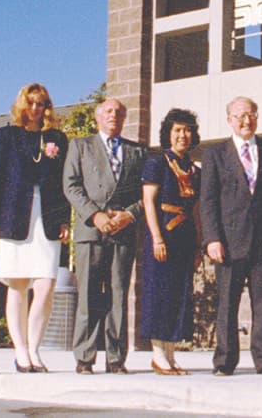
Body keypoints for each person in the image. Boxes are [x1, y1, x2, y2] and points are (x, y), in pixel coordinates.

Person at [199, 96, 262, 376]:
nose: (245, 121)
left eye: (250, 115)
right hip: (229, 241)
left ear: (257, 118)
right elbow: (208, 200)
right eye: (239, 116)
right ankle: (224, 362)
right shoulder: (215, 154)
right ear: (229, 120)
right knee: (227, 303)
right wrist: (212, 238)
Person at [0, 82, 70, 373]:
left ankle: (35, 348)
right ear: (23, 105)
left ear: (47, 107)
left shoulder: (57, 138)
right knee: (18, 286)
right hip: (14, 216)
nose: (35, 108)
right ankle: (21, 351)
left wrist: (64, 220)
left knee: (45, 286)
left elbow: (62, 183)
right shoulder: (6, 136)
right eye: (31, 103)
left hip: (47, 216)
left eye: (41, 103)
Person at [63, 98, 145, 375]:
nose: (114, 116)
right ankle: (84, 357)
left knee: (118, 295)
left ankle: (116, 358)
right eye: (108, 111)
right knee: (88, 295)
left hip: (122, 232)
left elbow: (146, 193)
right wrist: (95, 215)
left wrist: (130, 215)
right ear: (98, 116)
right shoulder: (80, 146)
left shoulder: (137, 151)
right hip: (91, 231)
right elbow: (71, 186)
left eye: (119, 113)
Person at [140, 108, 202, 375]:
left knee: (179, 294)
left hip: (185, 236)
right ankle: (157, 354)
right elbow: (148, 201)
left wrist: (199, 245)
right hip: (163, 233)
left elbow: (196, 209)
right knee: (160, 293)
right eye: (177, 130)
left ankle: (171, 354)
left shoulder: (194, 169)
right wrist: (156, 237)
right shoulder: (156, 162)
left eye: (187, 130)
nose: (182, 135)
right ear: (168, 133)